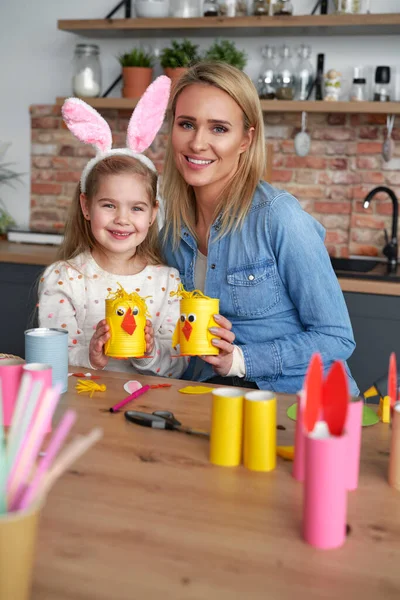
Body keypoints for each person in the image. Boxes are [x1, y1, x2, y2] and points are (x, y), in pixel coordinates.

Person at [160, 61, 359, 395]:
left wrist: (239, 359)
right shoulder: (170, 230)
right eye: (187, 124)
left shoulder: (278, 216)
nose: (197, 143)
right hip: (216, 399)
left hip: (301, 406)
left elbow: (336, 337)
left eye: (219, 128)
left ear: (245, 139)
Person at [38, 76, 188, 378]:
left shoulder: (168, 283)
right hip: (82, 408)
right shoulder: (64, 278)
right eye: (109, 205)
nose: (122, 218)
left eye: (136, 208)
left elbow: (178, 364)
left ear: (152, 213)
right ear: (86, 207)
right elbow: (51, 358)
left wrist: (150, 353)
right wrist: (89, 354)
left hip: (147, 408)